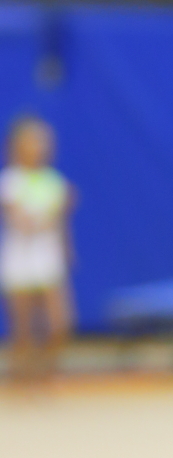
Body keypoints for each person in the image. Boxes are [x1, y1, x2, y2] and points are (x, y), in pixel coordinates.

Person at [0, 116, 74, 379]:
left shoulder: (55, 182)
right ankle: (23, 378)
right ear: (17, 145)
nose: (38, 147)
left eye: (42, 141)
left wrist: (66, 249)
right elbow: (18, 220)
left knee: (59, 324)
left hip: (48, 258)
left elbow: (60, 224)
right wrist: (48, 214)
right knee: (23, 330)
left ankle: (44, 372)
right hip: (19, 259)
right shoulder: (10, 181)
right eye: (32, 141)